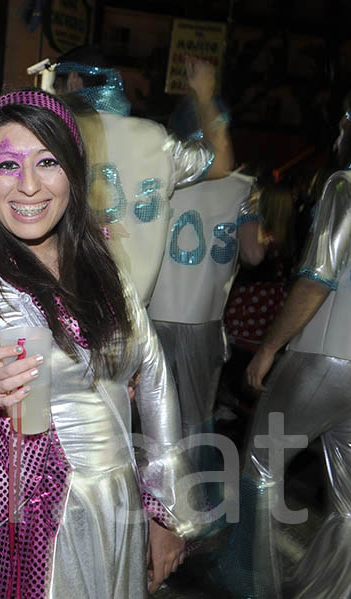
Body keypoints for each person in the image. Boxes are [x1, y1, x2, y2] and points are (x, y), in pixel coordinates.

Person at [0, 90, 200, 598]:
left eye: (48, 162)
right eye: (8, 165)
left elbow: (153, 373)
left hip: (119, 507)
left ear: (74, 173)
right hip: (30, 521)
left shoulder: (104, 270)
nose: (29, 186)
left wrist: (166, 512)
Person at [236, 96, 351, 599]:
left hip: (326, 354)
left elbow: (317, 277)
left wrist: (268, 347)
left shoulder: (343, 186)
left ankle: (249, 585)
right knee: (349, 499)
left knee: (259, 468)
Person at [50, 45, 234, 305]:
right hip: (134, 321)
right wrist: (204, 95)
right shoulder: (155, 139)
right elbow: (220, 161)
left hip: (66, 311)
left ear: (73, 81)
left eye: (55, 86)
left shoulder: (54, 137)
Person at [147, 98, 265, 479]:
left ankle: (151, 504)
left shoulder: (158, 177)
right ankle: (193, 507)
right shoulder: (244, 188)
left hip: (151, 315)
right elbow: (255, 255)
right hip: (204, 320)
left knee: (151, 416)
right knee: (196, 420)